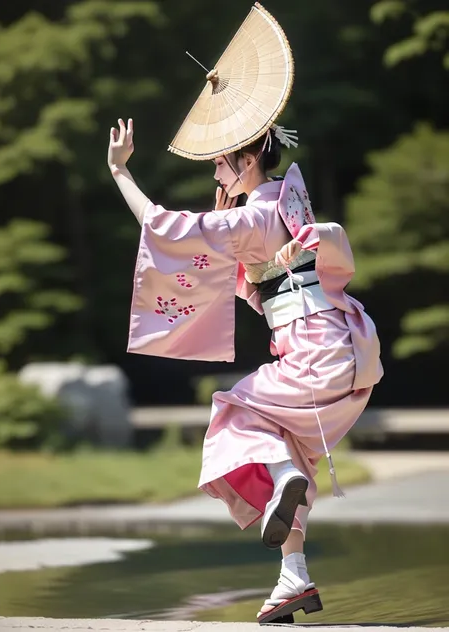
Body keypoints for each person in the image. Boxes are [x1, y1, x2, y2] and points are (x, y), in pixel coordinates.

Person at [108, 117, 383, 624]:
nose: (215, 171)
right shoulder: (288, 199)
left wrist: (121, 171)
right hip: (346, 349)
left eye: (219, 161)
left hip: (314, 352)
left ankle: (281, 480)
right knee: (289, 444)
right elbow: (268, 279)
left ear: (248, 160)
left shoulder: (249, 220)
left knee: (233, 414)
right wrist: (232, 246)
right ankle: (293, 576)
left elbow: (163, 225)